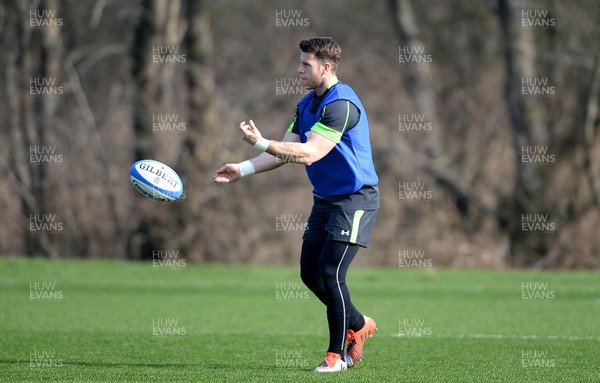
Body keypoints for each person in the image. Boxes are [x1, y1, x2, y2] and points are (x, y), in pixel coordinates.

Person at [214, 37, 379, 372]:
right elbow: (285, 151)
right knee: (309, 273)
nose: (298, 69)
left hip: (355, 199)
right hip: (325, 200)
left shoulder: (341, 104)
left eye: (306, 64)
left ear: (326, 67)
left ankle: (336, 356)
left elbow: (310, 153)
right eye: (300, 62)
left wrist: (261, 140)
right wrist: (243, 168)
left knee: (331, 273)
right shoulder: (305, 105)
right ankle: (360, 324)